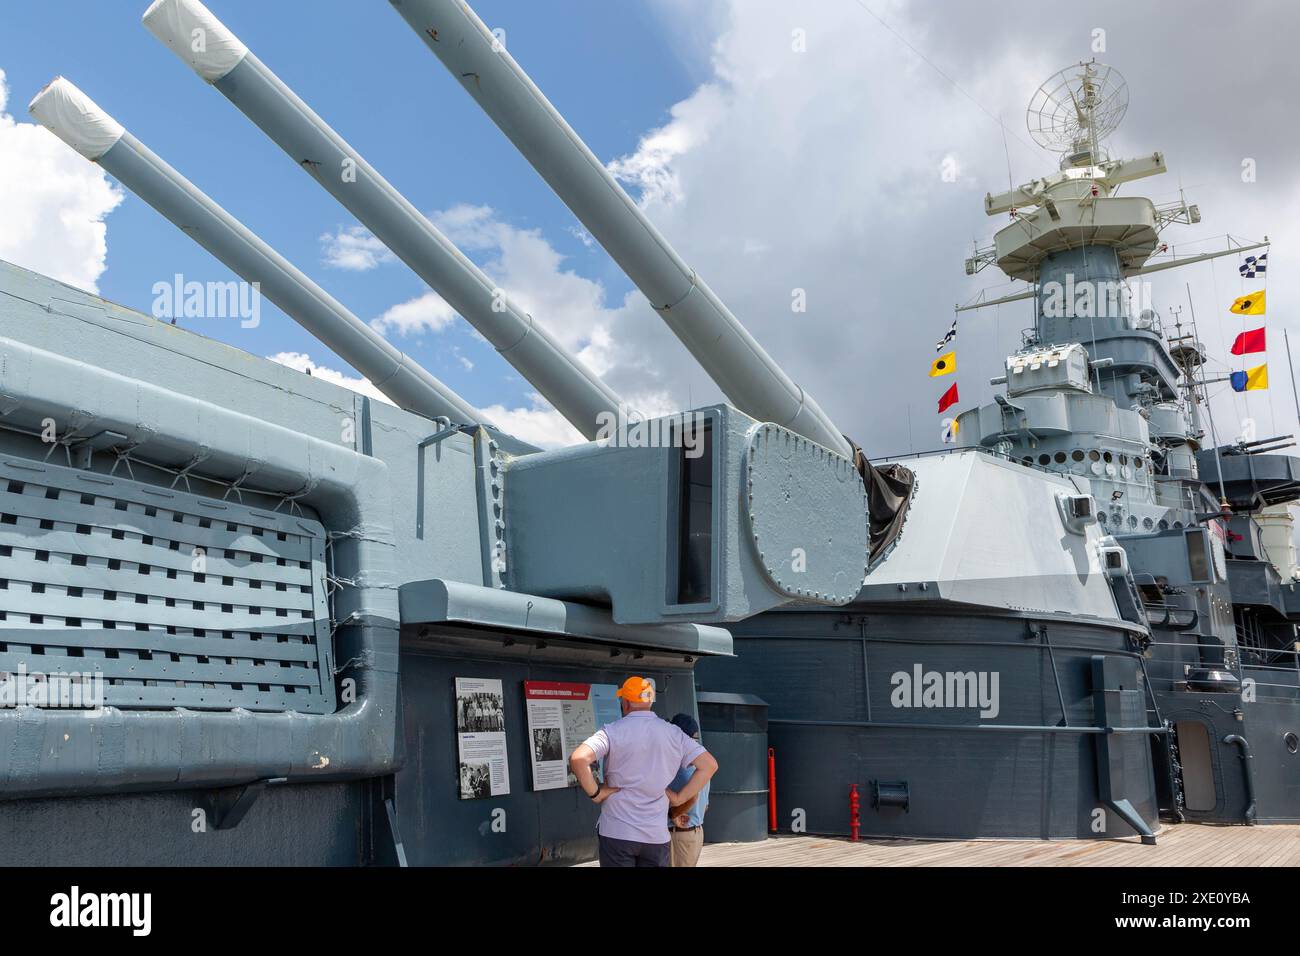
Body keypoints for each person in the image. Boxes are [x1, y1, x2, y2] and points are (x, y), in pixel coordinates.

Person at [569, 676, 718, 867]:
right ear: (650, 701)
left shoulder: (612, 731)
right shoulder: (674, 733)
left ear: (626, 702)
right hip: (655, 835)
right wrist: (679, 798)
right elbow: (709, 765)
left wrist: (596, 794)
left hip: (617, 832)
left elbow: (579, 759)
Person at [666, 713, 709, 867]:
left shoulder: (682, 764)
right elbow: (705, 805)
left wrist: (673, 814)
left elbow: (693, 797)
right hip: (695, 832)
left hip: (679, 833)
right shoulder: (703, 761)